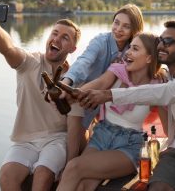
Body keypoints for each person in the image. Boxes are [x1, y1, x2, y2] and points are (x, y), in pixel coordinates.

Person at [77, 20, 175, 191]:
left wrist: (108, 95)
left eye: (168, 42)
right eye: (160, 40)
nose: (161, 45)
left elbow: (163, 93)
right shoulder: (167, 76)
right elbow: (156, 88)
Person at [0, 0, 85, 191]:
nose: (57, 39)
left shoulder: (75, 77)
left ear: (72, 49)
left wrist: (70, 165)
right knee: (6, 176)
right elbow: (8, 48)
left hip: (57, 139)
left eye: (65, 38)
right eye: (55, 33)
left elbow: (75, 124)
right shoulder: (29, 63)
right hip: (24, 140)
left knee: (42, 175)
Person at [56, 32, 165, 191]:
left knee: (73, 167)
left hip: (131, 145)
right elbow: (98, 84)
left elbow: (160, 130)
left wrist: (150, 164)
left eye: (135, 49)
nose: (127, 52)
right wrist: (69, 95)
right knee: (83, 186)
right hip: (102, 135)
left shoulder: (158, 88)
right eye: (129, 48)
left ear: (149, 58)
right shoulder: (117, 71)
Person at [61, 3, 144, 129]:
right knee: (70, 137)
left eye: (126, 26)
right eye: (116, 23)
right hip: (80, 96)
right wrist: (66, 82)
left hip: (107, 103)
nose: (119, 29)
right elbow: (84, 61)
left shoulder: (134, 50)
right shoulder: (100, 41)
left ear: (135, 30)